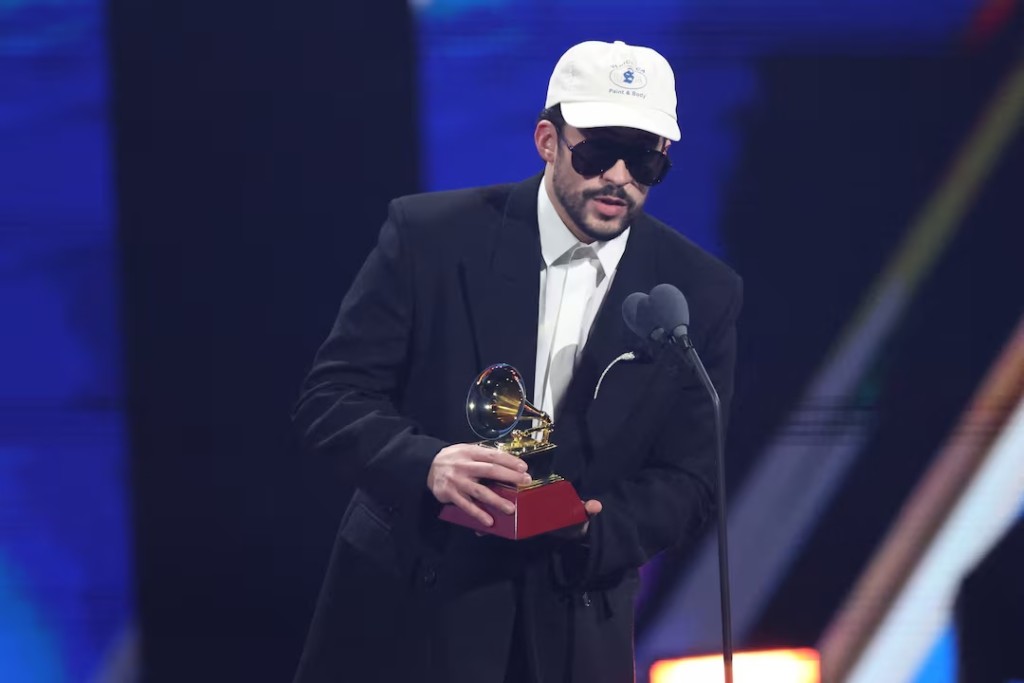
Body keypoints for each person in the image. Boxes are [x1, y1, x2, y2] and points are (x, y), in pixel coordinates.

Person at [292, 39, 742, 683]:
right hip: (413, 608)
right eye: (597, 151)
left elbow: (692, 477)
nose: (618, 175)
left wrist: (596, 529)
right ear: (547, 140)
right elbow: (331, 399)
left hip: (572, 621)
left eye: (642, 159)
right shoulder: (431, 238)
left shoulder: (700, 291)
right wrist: (429, 465)